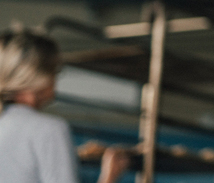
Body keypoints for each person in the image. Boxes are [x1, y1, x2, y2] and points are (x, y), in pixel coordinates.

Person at [0, 28, 130, 183]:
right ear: (38, 77)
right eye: (54, 72)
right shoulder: (49, 129)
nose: (56, 81)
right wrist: (110, 176)